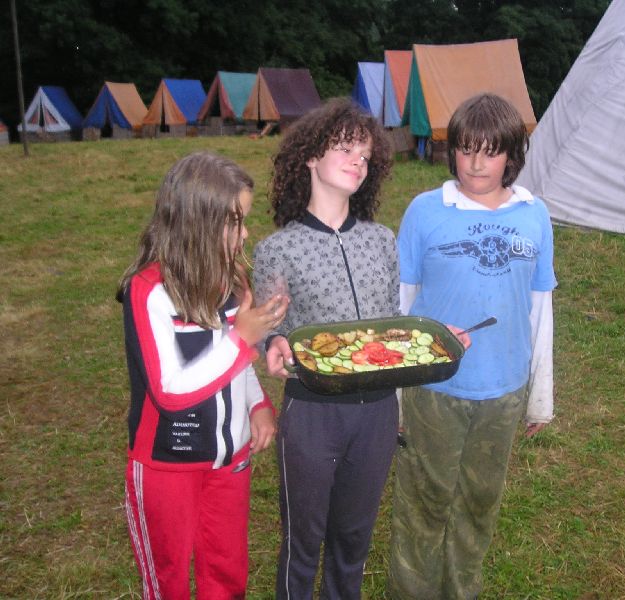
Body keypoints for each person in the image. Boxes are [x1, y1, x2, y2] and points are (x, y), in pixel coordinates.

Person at [387, 93, 558, 600]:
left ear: (512, 155)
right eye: (465, 149)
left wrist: (539, 396)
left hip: (503, 391)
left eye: (490, 151)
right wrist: (396, 394)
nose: (476, 164)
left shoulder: (534, 215)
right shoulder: (425, 211)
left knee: (479, 503)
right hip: (433, 388)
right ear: (452, 151)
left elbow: (540, 309)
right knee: (424, 501)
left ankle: (462, 590)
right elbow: (401, 303)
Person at [118, 151, 290, 600]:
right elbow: (170, 391)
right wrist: (241, 338)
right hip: (167, 466)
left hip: (229, 460)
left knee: (227, 572)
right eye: (235, 222)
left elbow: (236, 364)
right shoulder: (150, 292)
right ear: (197, 221)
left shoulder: (233, 281)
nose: (246, 233)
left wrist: (256, 403)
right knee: (168, 578)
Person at [251, 98, 398, 600]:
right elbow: (268, 327)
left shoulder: (382, 241)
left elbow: (393, 325)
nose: (358, 160)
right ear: (312, 156)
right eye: (345, 148)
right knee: (303, 542)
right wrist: (272, 342)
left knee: (353, 541)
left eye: (365, 154)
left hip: (377, 412)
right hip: (313, 413)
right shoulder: (278, 249)